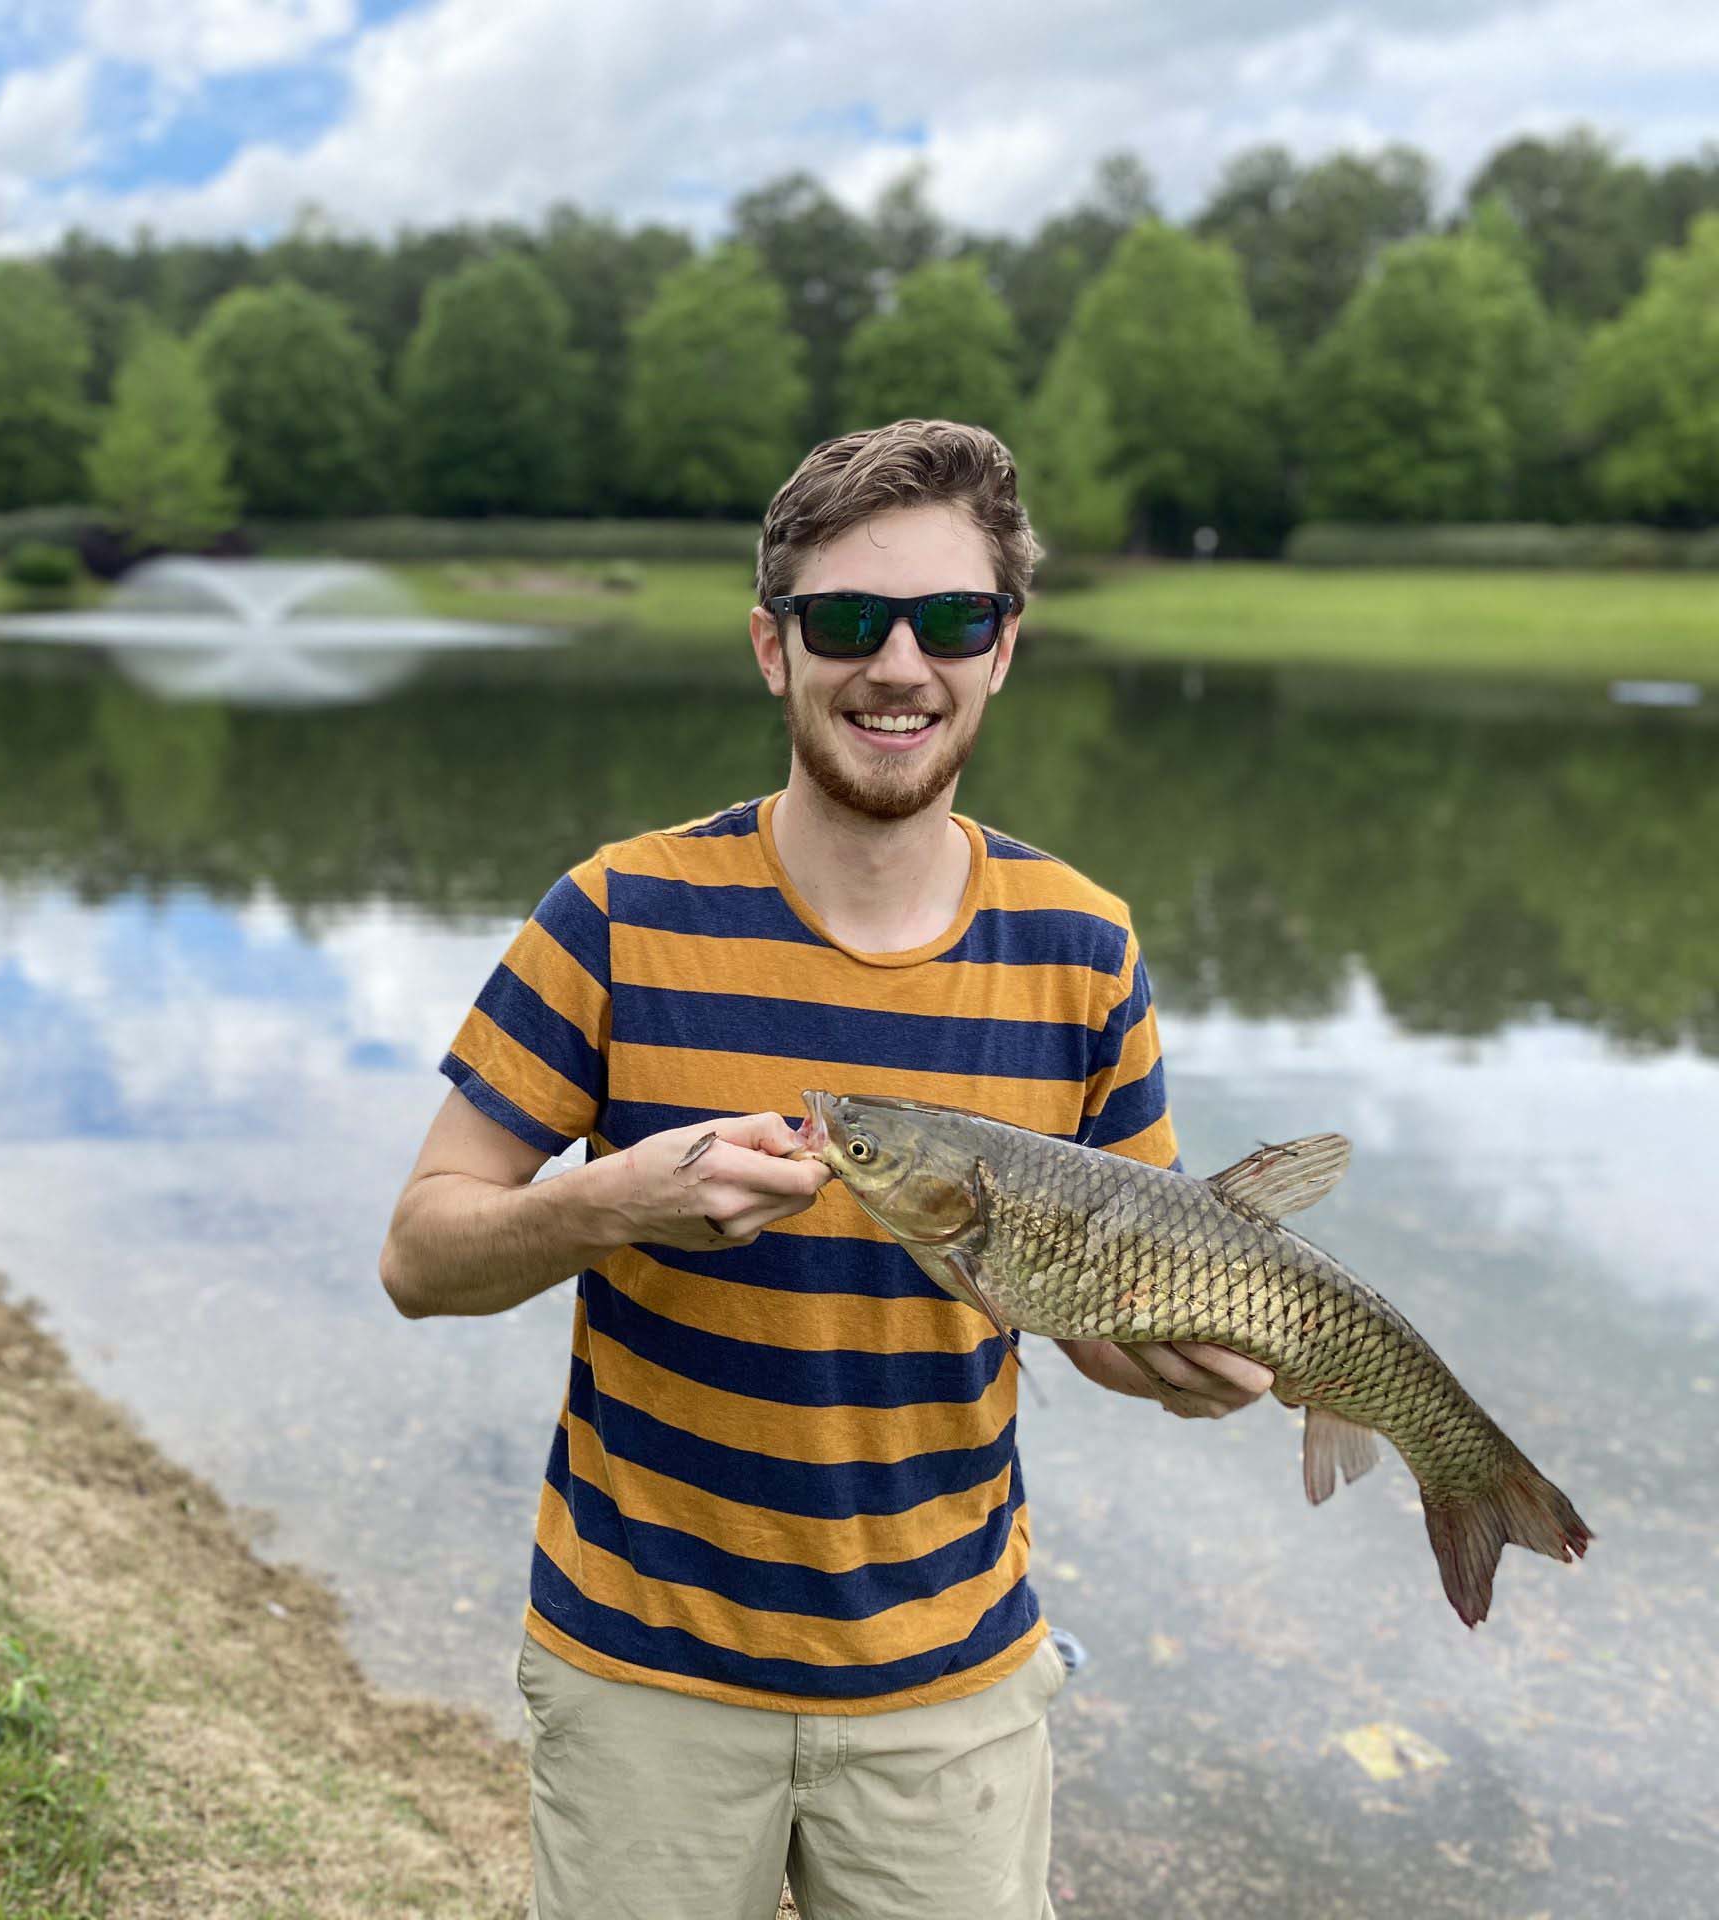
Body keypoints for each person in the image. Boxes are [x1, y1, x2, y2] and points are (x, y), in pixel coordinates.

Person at [377, 420, 1275, 1920]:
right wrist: (609, 1205)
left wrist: (1189, 1367)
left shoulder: (1084, 946)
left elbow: (1118, 1307)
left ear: (1005, 651)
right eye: (849, 622)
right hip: (642, 1679)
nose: (899, 666)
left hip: (950, 1693)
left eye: (953, 621)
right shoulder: (613, 914)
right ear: (771, 648)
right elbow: (419, 1256)